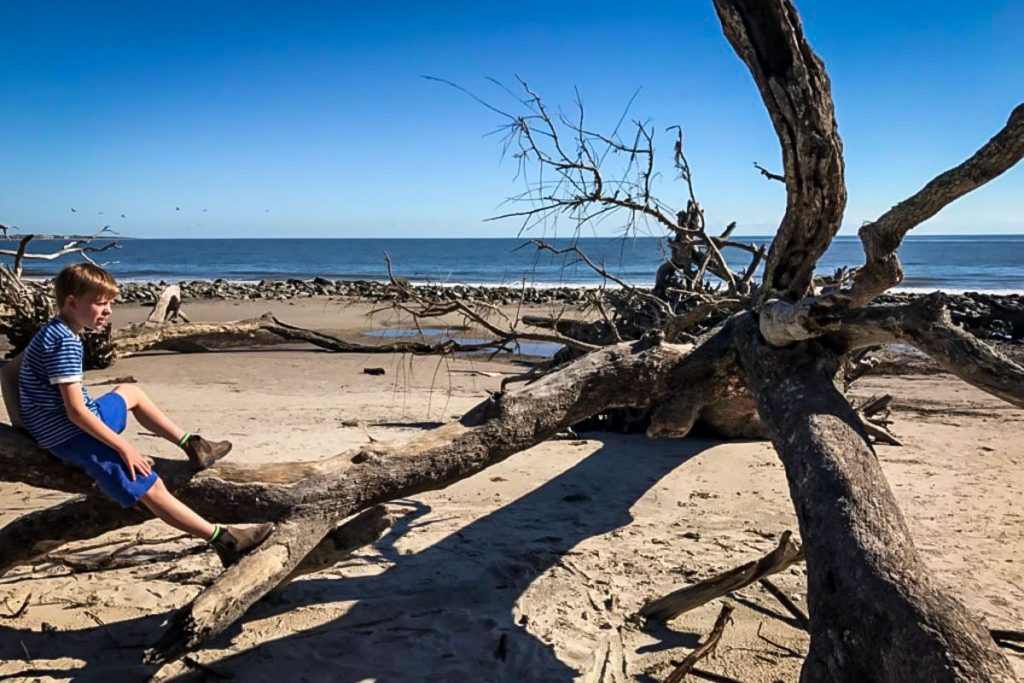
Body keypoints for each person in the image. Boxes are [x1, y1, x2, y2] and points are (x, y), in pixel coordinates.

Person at [0, 263, 272, 566]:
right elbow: (76, 413)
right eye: (100, 303)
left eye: (110, 304)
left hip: (66, 425)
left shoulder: (52, 330)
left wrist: (22, 424)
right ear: (72, 302)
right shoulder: (64, 342)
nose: (108, 312)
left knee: (131, 393)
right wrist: (125, 447)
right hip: (74, 436)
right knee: (150, 485)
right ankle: (226, 540)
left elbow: (8, 371)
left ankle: (195, 446)